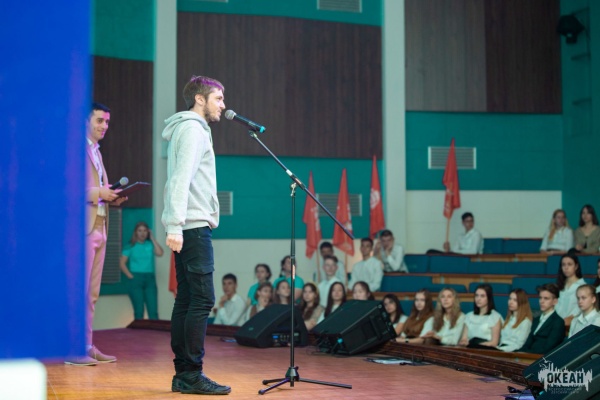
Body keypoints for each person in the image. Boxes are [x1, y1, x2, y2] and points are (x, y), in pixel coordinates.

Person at [162, 75, 230, 394]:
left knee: (188, 299)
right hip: (192, 225)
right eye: (218, 98)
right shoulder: (192, 129)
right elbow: (180, 179)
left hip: (188, 225)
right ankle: (191, 373)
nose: (223, 105)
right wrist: (175, 224)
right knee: (202, 299)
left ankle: (183, 373)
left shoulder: (191, 129)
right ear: (200, 99)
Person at [66, 103, 128, 366]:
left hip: (100, 226)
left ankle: (86, 345)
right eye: (100, 120)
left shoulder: (96, 151)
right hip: (82, 228)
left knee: (91, 294)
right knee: (78, 292)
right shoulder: (74, 149)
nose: (104, 126)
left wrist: (112, 196)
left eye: (107, 122)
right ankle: (71, 349)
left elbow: (98, 188)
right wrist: (100, 193)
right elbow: (68, 188)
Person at [119, 221, 164, 320]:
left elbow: (160, 253)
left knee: (153, 311)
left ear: (148, 232)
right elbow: (121, 263)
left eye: (145, 231)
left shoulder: (150, 245)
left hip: (150, 279)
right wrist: (130, 276)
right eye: (140, 231)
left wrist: (152, 238)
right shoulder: (130, 246)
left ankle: (155, 330)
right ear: (136, 232)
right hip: (136, 279)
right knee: (139, 312)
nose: (142, 233)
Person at [518, 284, 565, 354]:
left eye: (546, 298)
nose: (541, 301)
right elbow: (527, 344)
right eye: (540, 298)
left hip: (542, 358)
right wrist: (518, 353)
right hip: (528, 356)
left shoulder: (558, 322)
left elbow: (548, 348)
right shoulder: (536, 320)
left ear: (555, 301)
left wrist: (527, 353)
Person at [458, 284, 502, 349]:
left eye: (482, 296)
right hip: (470, 348)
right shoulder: (469, 316)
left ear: (489, 298)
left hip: (486, 349)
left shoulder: (495, 317)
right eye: (476, 295)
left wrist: (477, 345)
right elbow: (464, 339)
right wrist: (464, 342)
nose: (478, 299)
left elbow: (494, 342)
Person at [555, 253, 587, 324]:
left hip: (573, 323)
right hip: (556, 323)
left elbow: (581, 308)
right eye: (563, 265)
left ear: (576, 266)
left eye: (569, 264)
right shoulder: (559, 285)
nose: (566, 267)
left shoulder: (582, 286)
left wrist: (568, 319)